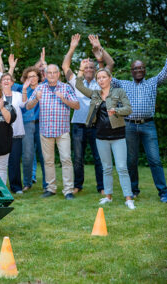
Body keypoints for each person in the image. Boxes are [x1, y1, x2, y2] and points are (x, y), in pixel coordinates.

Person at [110, 51, 167, 202]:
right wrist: (100, 57)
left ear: (145, 70)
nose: (138, 70)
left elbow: (165, 73)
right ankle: (133, 190)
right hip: (129, 126)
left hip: (148, 125)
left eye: (141, 68)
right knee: (131, 160)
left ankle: (163, 193)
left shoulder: (152, 82)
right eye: (135, 68)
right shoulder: (124, 84)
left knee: (154, 159)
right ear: (131, 71)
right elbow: (106, 78)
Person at [76, 65, 135, 209]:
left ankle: (128, 198)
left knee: (121, 167)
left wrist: (116, 110)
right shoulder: (95, 94)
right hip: (101, 136)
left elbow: (128, 109)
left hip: (118, 135)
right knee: (106, 168)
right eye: (98, 78)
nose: (101, 80)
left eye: (103, 77)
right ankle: (108, 196)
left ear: (110, 78)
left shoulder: (118, 92)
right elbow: (78, 85)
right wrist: (82, 70)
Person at [62, 34, 114, 195]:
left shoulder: (101, 81)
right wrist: (72, 48)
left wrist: (99, 48)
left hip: (96, 125)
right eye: (86, 67)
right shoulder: (76, 82)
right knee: (78, 158)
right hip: (78, 125)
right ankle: (78, 185)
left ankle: (102, 187)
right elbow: (65, 66)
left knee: (99, 158)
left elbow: (110, 63)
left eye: (92, 67)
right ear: (82, 70)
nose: (89, 70)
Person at [26, 64, 79, 200]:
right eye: (49, 73)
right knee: (48, 161)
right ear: (45, 75)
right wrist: (36, 98)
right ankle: (51, 188)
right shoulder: (40, 88)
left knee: (66, 160)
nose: (51, 75)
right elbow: (28, 105)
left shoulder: (66, 88)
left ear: (58, 74)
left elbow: (77, 105)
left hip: (62, 131)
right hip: (45, 131)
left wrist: (64, 99)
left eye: (54, 72)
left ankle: (68, 190)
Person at [8, 51, 48, 192]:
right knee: (28, 155)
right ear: (25, 78)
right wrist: (11, 67)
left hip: (42, 124)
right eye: (29, 76)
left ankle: (47, 184)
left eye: (34, 76)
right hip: (27, 124)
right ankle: (27, 182)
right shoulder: (21, 89)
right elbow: (8, 83)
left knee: (44, 155)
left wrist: (43, 62)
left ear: (39, 77)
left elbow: (51, 75)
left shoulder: (45, 87)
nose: (32, 78)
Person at [0, 73, 26, 194]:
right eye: (4, 79)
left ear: (12, 82)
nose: (6, 81)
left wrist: (25, 89)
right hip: (0, 134)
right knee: (1, 161)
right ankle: (1, 187)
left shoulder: (18, 95)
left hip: (16, 133)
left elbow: (24, 104)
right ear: (0, 83)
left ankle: (16, 187)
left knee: (14, 161)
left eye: (8, 79)